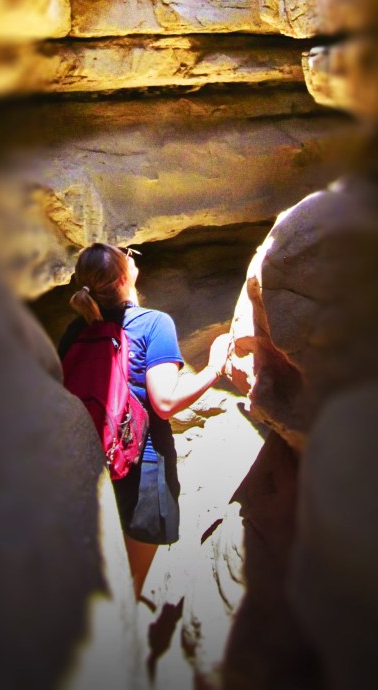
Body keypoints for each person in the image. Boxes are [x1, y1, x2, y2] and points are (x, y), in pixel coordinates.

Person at [58, 242, 233, 599]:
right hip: (143, 472)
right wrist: (215, 368)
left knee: (94, 595)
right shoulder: (154, 324)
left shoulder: (74, 333)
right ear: (125, 277)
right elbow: (165, 402)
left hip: (91, 473)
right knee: (127, 593)